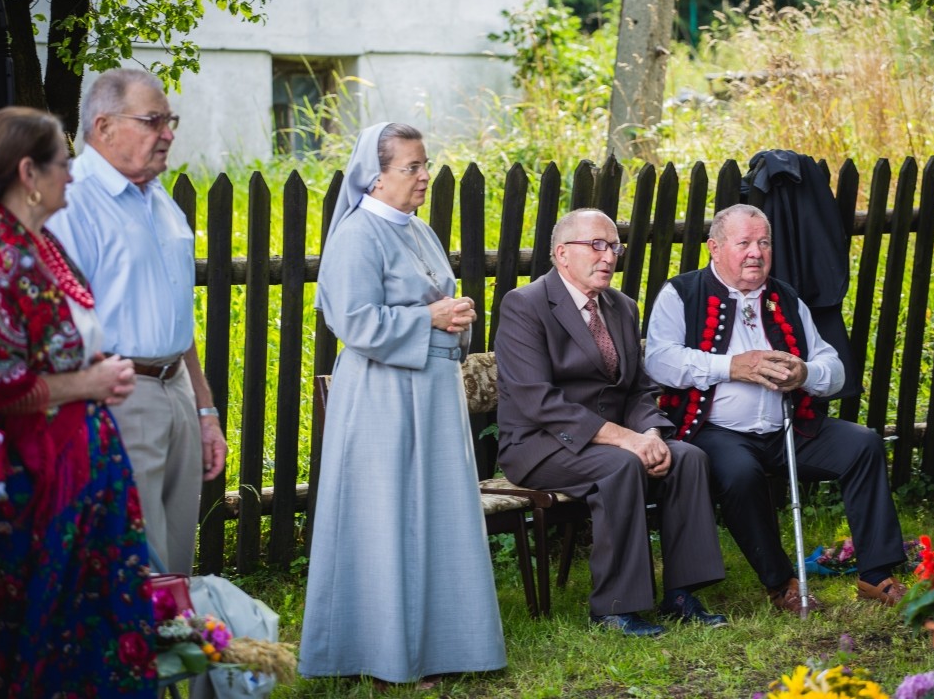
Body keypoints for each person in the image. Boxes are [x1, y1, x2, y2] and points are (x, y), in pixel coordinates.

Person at [299, 123, 506, 684]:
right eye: (411, 167)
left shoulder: (420, 230)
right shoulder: (356, 236)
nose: (424, 176)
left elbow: (435, 305)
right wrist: (431, 317)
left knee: (436, 515)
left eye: (425, 164)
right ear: (375, 177)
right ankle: (383, 653)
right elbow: (353, 322)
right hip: (382, 396)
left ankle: (442, 647)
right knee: (387, 519)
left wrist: (455, 316)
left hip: (433, 391)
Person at [644, 203, 907, 614]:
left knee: (864, 444)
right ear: (715, 247)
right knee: (739, 473)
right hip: (716, 430)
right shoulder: (682, 293)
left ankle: (875, 574)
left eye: (764, 243)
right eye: (744, 243)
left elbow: (833, 367)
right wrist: (731, 366)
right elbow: (659, 361)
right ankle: (781, 583)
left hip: (790, 427)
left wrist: (805, 373)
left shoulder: (785, 297)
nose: (756, 252)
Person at [494, 208, 727, 638]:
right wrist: (627, 441)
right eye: (596, 245)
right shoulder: (525, 305)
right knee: (620, 466)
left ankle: (681, 594)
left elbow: (637, 389)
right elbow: (537, 399)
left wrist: (651, 434)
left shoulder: (622, 307)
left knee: (687, 458)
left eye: (614, 247)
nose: (608, 256)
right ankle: (616, 609)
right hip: (540, 444)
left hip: (612, 442)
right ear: (562, 253)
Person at [0, 106, 156, 695]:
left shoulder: (41, 247)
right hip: (37, 478)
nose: (73, 173)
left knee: (98, 619)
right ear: (28, 172)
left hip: (86, 462)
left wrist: (96, 373)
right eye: (63, 163)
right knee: (51, 625)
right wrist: (87, 384)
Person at [46, 68, 227, 574]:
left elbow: (176, 315)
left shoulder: (159, 199)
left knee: (176, 563)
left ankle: (175, 628)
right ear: (103, 126)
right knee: (131, 565)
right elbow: (58, 327)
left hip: (177, 389)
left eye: (170, 121)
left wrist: (205, 410)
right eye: (153, 121)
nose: (168, 134)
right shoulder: (72, 201)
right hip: (117, 396)